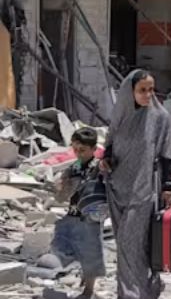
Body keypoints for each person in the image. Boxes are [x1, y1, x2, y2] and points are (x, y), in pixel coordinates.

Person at [100, 70, 171, 299]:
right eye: (142, 90)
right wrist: (106, 161)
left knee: (129, 242)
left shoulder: (160, 118)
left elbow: (166, 153)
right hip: (117, 187)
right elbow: (111, 144)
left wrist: (167, 186)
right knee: (130, 244)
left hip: (144, 189)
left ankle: (131, 294)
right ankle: (146, 289)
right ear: (129, 92)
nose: (147, 94)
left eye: (151, 89)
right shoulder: (121, 115)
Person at [51, 128, 105, 299]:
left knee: (91, 251)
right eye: (75, 149)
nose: (78, 153)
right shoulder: (73, 167)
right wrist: (61, 186)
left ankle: (89, 289)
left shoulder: (99, 167)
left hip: (91, 216)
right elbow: (61, 194)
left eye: (82, 150)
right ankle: (83, 272)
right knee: (60, 244)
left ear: (93, 149)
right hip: (73, 213)